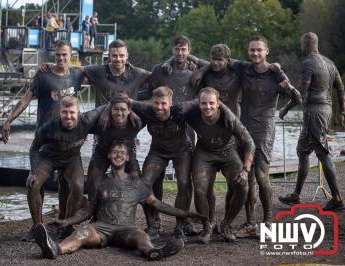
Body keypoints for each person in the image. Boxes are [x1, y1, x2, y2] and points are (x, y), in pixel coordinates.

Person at [33, 140, 204, 260]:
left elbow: (158, 204)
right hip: (101, 228)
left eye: (122, 153)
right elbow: (88, 210)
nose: (119, 155)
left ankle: (153, 252)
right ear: (109, 155)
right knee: (82, 232)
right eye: (115, 152)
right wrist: (66, 222)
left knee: (141, 236)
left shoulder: (138, 183)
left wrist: (186, 213)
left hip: (127, 228)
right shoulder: (99, 181)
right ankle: (55, 249)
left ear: (128, 157)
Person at [2, 40, 84, 237]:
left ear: (71, 55)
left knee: (71, 184)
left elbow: (103, 72)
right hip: (45, 142)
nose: (61, 58)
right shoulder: (43, 75)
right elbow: (25, 99)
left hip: (69, 143)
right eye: (58, 55)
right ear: (53, 55)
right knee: (34, 182)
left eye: (65, 55)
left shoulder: (77, 74)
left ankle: (65, 223)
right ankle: (37, 227)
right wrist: (8, 120)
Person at [227, 36, 302, 238]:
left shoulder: (275, 73)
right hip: (245, 128)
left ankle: (268, 221)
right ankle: (250, 223)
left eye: (259, 50)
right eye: (252, 50)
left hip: (265, 129)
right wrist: (198, 67)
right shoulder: (244, 68)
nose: (255, 54)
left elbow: (297, 98)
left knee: (261, 177)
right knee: (248, 178)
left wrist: (285, 109)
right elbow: (221, 60)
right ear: (248, 51)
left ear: (267, 51)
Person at [279, 32, 345, 211]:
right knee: (302, 150)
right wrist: (342, 111)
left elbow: (300, 94)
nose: (301, 47)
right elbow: (340, 87)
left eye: (302, 44)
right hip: (326, 111)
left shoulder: (308, 63)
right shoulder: (330, 63)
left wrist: (285, 109)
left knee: (322, 153)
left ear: (306, 44)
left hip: (314, 113)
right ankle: (296, 195)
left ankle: (337, 198)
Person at [127, 86, 199, 241]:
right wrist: (129, 113)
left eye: (163, 104)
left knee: (184, 182)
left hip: (182, 151)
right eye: (156, 103)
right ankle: (153, 224)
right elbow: (124, 100)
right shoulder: (147, 110)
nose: (159, 107)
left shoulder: (180, 110)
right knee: (145, 183)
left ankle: (181, 226)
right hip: (158, 151)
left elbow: (201, 100)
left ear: (170, 102)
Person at [184, 87, 254, 242]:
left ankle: (226, 224)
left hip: (227, 153)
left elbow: (249, 143)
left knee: (243, 187)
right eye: (204, 103)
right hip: (204, 153)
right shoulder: (193, 114)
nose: (207, 107)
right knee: (200, 189)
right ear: (198, 104)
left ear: (218, 104)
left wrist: (245, 169)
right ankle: (207, 226)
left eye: (211, 103)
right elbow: (173, 114)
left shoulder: (229, 118)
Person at [28, 96, 104, 227]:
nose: (68, 116)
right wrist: (33, 171)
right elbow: (34, 148)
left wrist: (108, 114)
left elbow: (105, 106)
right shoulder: (48, 127)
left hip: (71, 159)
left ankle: (65, 225)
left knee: (78, 186)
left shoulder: (86, 120)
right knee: (32, 184)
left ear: (78, 113)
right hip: (49, 158)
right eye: (65, 112)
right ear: (60, 112)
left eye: (72, 112)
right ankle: (37, 227)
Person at [87, 93, 144, 184]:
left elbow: (153, 112)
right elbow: (82, 123)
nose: (119, 113)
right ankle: (93, 198)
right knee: (93, 178)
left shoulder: (136, 121)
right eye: (116, 109)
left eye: (123, 110)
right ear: (111, 109)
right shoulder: (101, 121)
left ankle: (130, 197)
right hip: (103, 151)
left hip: (126, 152)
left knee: (136, 177)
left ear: (129, 110)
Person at [79, 39, 151, 107]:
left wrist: (139, 95)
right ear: (109, 56)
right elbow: (75, 72)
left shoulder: (137, 74)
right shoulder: (98, 71)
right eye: (114, 56)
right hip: (103, 118)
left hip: (128, 118)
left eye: (121, 55)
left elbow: (157, 77)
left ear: (127, 56)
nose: (118, 59)